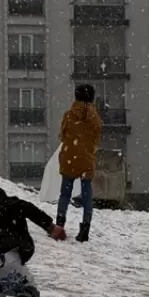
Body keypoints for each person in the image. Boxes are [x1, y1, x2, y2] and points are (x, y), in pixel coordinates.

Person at [55, 83, 102, 243]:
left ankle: (59, 224)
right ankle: (85, 228)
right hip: (87, 159)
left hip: (70, 157)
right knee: (87, 194)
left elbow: (62, 135)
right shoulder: (95, 118)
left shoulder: (69, 115)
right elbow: (96, 139)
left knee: (65, 194)